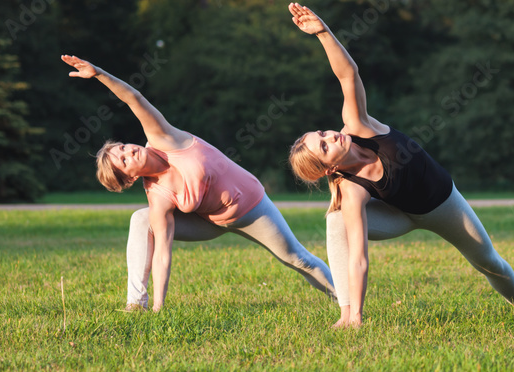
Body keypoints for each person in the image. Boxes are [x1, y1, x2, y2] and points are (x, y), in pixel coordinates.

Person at [285, 4, 514, 328]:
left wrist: (323, 33)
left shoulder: (358, 126)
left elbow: (347, 74)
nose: (332, 136)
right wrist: (358, 314)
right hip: (398, 217)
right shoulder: (350, 190)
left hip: (443, 204)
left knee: (488, 261)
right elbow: (358, 258)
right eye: (324, 146)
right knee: (336, 223)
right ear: (327, 170)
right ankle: (347, 316)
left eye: (323, 134)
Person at [60, 54, 335, 311]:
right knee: (141, 219)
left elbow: (133, 98)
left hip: (251, 208)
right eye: (123, 160)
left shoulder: (163, 138)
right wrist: (159, 308)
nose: (129, 151)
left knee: (297, 258)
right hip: (211, 222)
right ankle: (137, 304)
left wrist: (98, 74)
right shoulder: (157, 196)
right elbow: (163, 256)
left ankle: (348, 301)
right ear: (130, 177)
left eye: (123, 147)